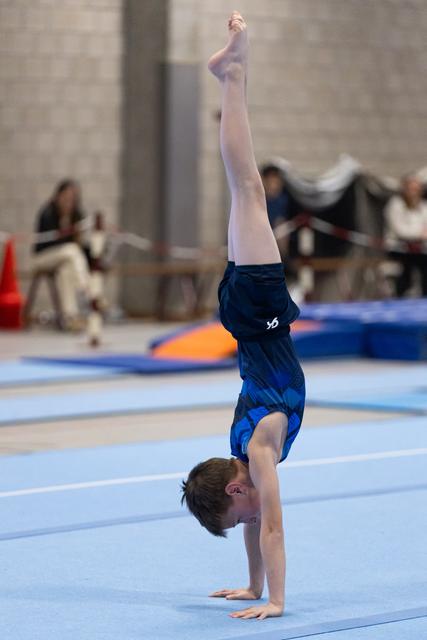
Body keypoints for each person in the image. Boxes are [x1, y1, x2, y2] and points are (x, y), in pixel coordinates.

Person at [181, 13, 305, 621]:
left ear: (235, 488)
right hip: (246, 318)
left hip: (259, 314)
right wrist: (253, 586)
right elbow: (259, 525)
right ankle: (234, 72)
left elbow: (273, 525)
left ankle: (233, 73)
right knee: (242, 189)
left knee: (249, 187)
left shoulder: (258, 451)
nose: (248, 520)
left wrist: (278, 599)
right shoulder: (241, 453)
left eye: (237, 513)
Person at [32, 179, 90, 330]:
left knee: (65, 272)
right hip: (43, 257)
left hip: (65, 259)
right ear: (58, 195)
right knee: (70, 251)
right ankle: (86, 288)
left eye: (72, 198)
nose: (69, 201)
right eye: (66, 197)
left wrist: (77, 234)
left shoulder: (77, 215)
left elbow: (81, 246)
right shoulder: (48, 212)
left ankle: (71, 318)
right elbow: (48, 243)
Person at [385, 175, 427, 297]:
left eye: (416, 188)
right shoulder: (395, 205)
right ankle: (400, 298)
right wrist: (420, 234)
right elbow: (400, 230)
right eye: (411, 188)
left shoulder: (424, 206)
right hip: (400, 248)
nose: (414, 192)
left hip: (420, 249)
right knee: (404, 273)